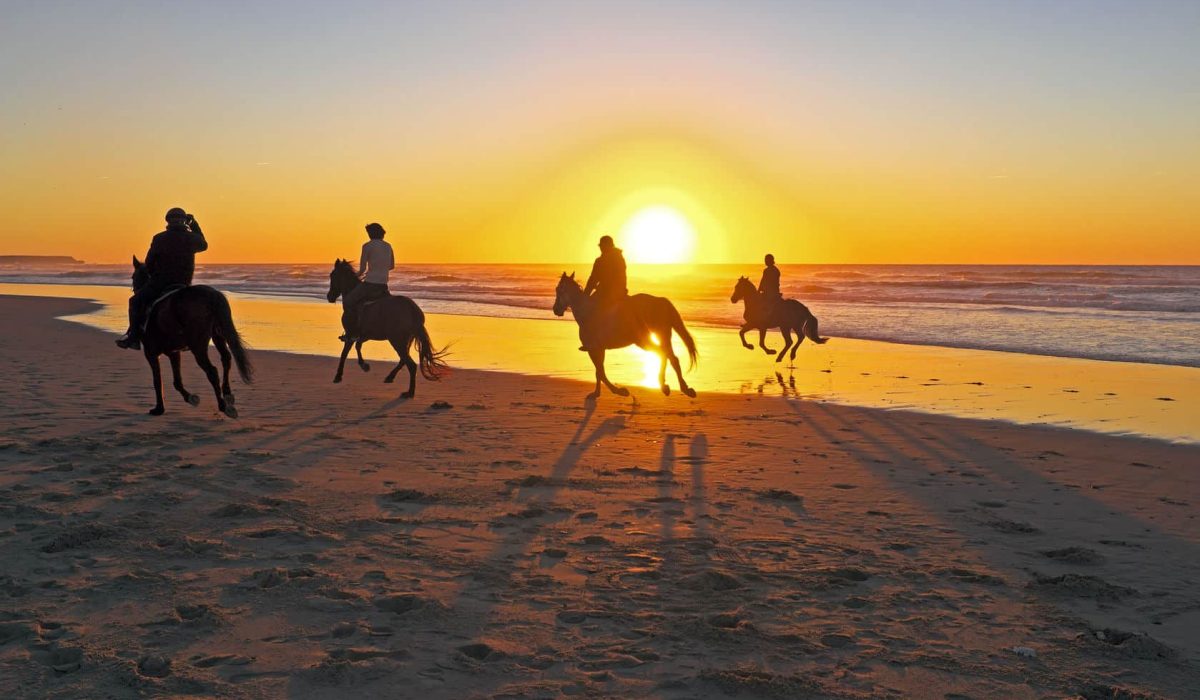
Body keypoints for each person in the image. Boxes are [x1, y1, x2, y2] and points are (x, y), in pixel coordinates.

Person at [116, 208, 208, 350]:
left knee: (134, 301)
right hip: (184, 282)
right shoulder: (192, 238)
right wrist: (194, 225)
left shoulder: (159, 238)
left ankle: (133, 338)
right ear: (185, 221)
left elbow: (149, 262)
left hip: (162, 282)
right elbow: (204, 245)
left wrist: (153, 275)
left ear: (168, 221)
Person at [340, 222, 394, 342]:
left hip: (370, 284)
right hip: (383, 285)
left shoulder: (367, 246)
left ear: (370, 233)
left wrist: (356, 276)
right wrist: (380, 269)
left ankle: (352, 333)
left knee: (348, 301)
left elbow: (363, 269)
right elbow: (391, 266)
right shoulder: (388, 246)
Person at [579, 235, 628, 351]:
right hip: (618, 290)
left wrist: (586, 295)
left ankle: (593, 340)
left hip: (609, 292)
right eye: (600, 246)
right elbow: (594, 279)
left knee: (592, 310)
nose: (601, 248)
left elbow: (593, 279)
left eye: (602, 246)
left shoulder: (603, 260)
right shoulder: (618, 257)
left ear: (608, 246)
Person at [758, 253, 783, 324]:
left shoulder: (773, 270)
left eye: (766, 260)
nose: (765, 261)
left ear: (770, 261)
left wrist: (761, 289)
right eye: (765, 260)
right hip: (770, 291)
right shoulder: (769, 270)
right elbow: (762, 281)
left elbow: (770, 282)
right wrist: (759, 289)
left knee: (762, 303)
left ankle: (763, 319)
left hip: (772, 292)